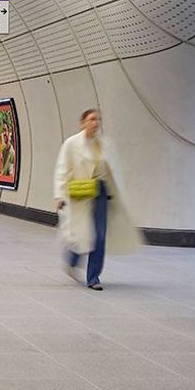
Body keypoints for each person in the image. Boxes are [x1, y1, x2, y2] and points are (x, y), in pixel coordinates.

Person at [53, 109, 139, 290]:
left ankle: (93, 277)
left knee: (99, 236)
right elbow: (62, 169)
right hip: (80, 193)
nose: (95, 123)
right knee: (81, 233)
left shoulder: (105, 144)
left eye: (98, 119)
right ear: (82, 123)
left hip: (100, 193)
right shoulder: (71, 144)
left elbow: (112, 171)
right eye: (91, 119)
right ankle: (72, 259)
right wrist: (59, 195)